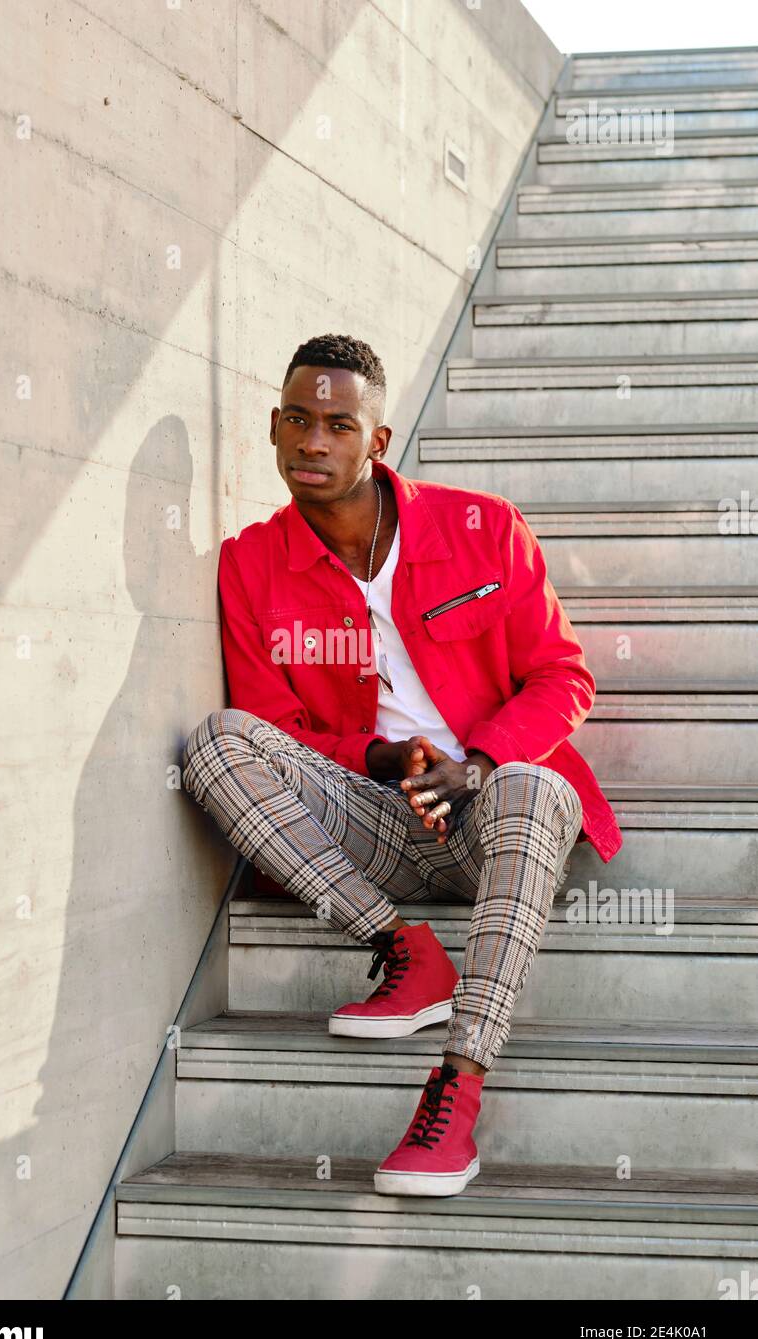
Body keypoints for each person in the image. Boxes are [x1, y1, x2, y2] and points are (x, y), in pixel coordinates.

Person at [181, 333, 622, 1197]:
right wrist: (377, 756)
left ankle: (455, 1087)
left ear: (377, 441)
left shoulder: (483, 528)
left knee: (534, 785)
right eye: (299, 421)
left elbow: (565, 676)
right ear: (273, 427)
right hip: (376, 821)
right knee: (216, 742)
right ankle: (403, 948)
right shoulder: (251, 563)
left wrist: (480, 762)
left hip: (501, 816)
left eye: (339, 425)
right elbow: (276, 726)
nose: (315, 443)